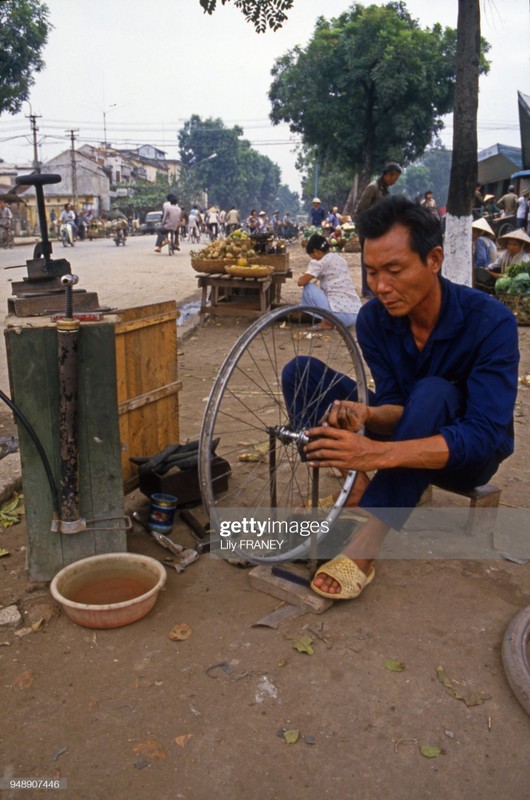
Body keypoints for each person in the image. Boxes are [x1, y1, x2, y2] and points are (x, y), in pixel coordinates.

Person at [281, 196, 519, 600]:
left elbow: (484, 434)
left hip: (464, 460)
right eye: (372, 272)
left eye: (394, 270)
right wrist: (366, 415)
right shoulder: (376, 319)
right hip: (406, 433)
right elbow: (396, 405)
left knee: (434, 391)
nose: (381, 287)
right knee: (302, 373)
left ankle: (366, 545)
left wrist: (375, 455)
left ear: (434, 259)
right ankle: (357, 489)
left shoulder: (491, 322)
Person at [355, 162, 402, 297]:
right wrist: (365, 228)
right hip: (368, 230)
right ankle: (366, 289)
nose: (394, 181)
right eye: (394, 178)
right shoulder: (373, 187)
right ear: (388, 175)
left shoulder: (384, 189)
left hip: (379, 231)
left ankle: (374, 288)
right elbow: (360, 210)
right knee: (367, 261)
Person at [297, 233, 362, 329]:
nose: (313, 258)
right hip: (356, 314)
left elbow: (300, 282)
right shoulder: (340, 259)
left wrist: (306, 275)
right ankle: (330, 321)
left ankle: (328, 322)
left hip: (339, 316)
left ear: (316, 252)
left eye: (312, 256)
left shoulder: (320, 262)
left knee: (308, 287)